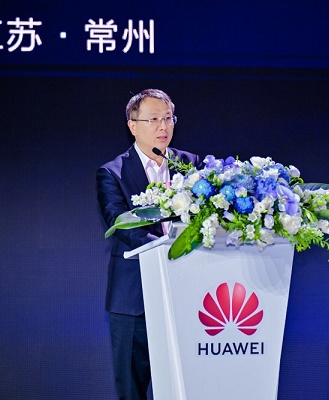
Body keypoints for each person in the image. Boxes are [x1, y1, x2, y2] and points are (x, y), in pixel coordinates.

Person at [96, 89, 202, 400]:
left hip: (186, 296)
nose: (163, 126)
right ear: (133, 125)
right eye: (153, 119)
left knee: (186, 387)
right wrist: (169, 249)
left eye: (168, 118)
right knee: (132, 391)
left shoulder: (189, 164)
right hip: (133, 300)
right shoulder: (112, 172)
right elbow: (120, 223)